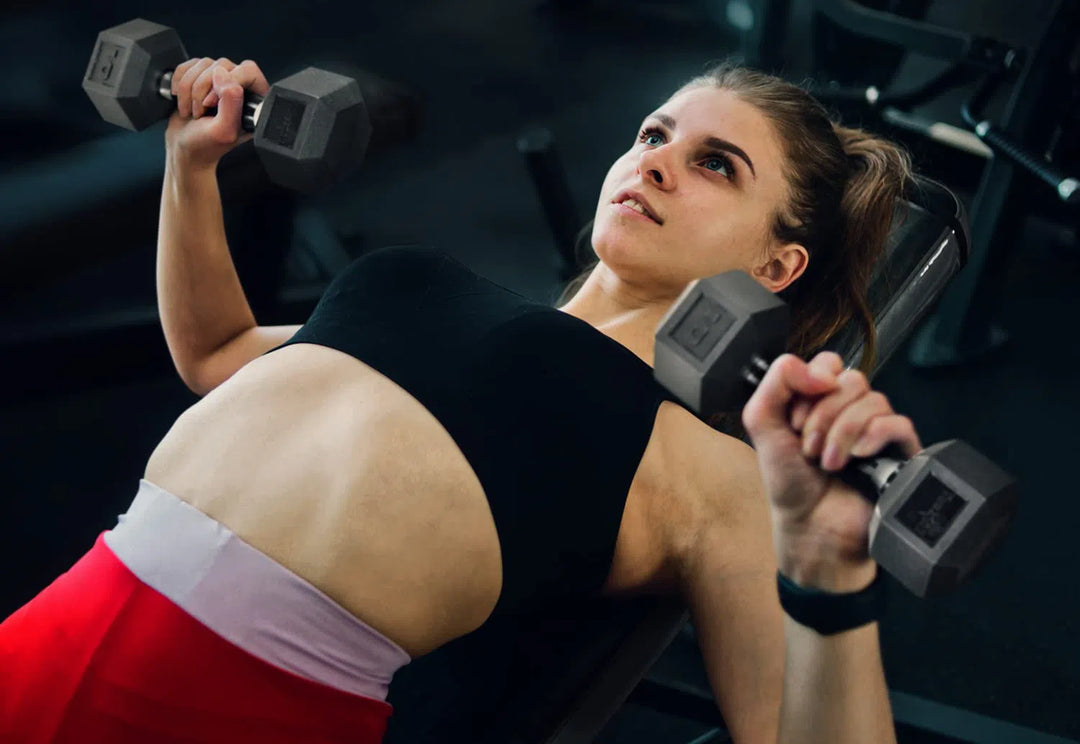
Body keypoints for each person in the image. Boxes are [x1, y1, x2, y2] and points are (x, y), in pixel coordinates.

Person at [0, 54, 919, 744]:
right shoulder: (417, 282)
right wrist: (190, 167)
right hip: (40, 640)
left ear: (775, 266)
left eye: (717, 164)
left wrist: (832, 572)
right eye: (653, 135)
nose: (657, 163)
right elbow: (216, 353)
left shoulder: (707, 467)